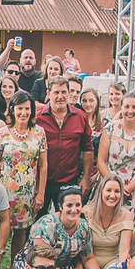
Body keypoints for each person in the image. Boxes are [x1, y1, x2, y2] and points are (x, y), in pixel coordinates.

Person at [0, 91, 47, 269]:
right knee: (0, 226)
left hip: (27, 192)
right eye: (20, 108)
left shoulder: (39, 132)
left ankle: (14, 268)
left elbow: (43, 165)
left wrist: (41, 193)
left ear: (32, 111)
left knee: (21, 230)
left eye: (27, 109)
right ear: (12, 110)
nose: (23, 113)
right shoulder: (3, 132)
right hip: (4, 190)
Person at [13, 186, 102, 269]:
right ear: (60, 206)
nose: (74, 210)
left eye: (78, 205)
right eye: (69, 205)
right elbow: (42, 262)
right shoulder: (46, 225)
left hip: (62, 265)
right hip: (36, 265)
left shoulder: (83, 226)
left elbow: (88, 258)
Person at [35, 76, 92, 216]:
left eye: (64, 92)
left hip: (69, 180)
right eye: (56, 92)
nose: (60, 96)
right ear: (48, 93)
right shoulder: (37, 118)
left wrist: (86, 178)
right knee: (37, 220)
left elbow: (87, 149)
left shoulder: (81, 117)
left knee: (68, 221)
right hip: (41, 181)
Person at [82, 174, 132, 269]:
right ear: (100, 191)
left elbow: (124, 251)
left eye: (117, 191)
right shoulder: (86, 213)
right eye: (108, 190)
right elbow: (84, 253)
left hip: (113, 261)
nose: (112, 195)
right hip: (90, 262)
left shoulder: (126, 215)